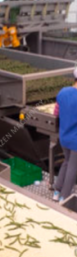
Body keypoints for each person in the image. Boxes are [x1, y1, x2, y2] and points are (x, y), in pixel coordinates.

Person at [53, 69, 77, 202]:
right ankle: (65, 197)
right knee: (73, 167)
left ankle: (57, 191)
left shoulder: (63, 92)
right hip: (75, 141)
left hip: (64, 137)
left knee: (66, 162)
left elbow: (56, 113)